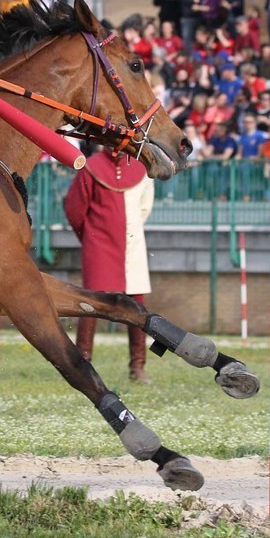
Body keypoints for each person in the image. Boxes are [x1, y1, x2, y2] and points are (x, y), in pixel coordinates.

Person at [64, 146, 156, 382]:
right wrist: (91, 237)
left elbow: (145, 206)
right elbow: (75, 208)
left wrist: (129, 229)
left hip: (132, 242)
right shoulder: (90, 167)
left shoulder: (140, 168)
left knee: (137, 304)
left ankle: (138, 366)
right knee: (92, 304)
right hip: (99, 244)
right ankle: (82, 363)